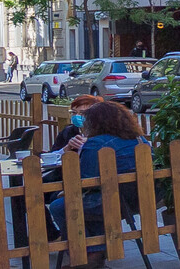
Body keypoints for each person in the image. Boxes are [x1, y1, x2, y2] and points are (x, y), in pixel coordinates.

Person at [49, 102, 142, 247]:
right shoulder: (139, 139)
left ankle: (89, 252)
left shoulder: (95, 143)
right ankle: (97, 250)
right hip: (139, 198)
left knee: (58, 205)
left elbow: (85, 182)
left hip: (111, 201)